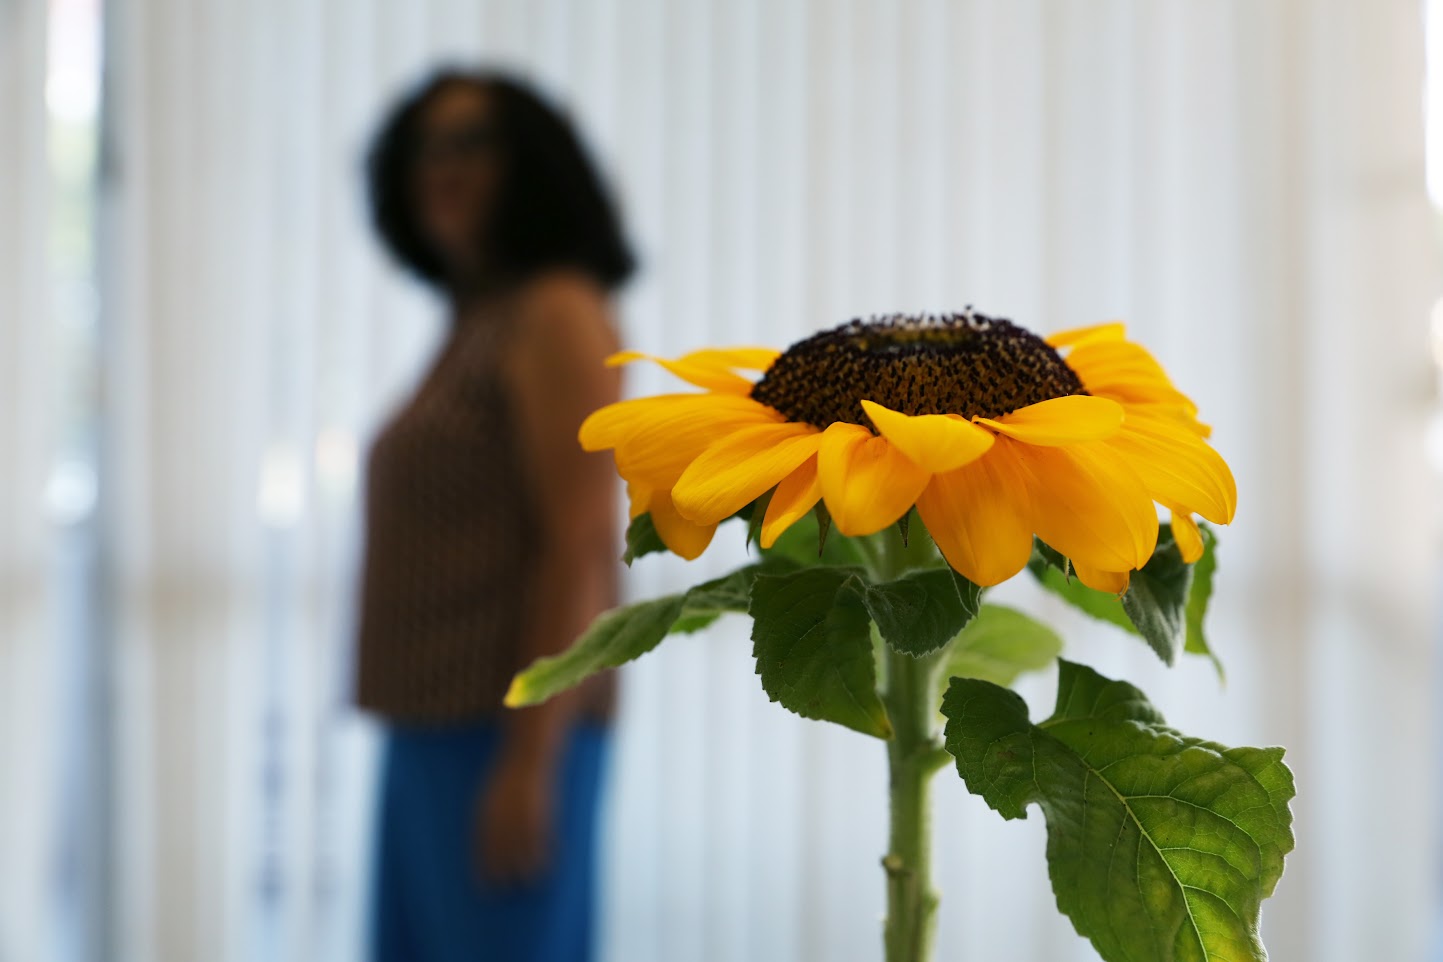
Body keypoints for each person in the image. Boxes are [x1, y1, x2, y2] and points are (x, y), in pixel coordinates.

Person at [355, 68, 633, 962]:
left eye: (471, 141)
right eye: (426, 146)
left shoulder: (555, 311)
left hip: (504, 730)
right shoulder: (478, 318)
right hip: (430, 728)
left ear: (531, 163)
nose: (443, 165)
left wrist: (529, 762)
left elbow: (580, 544)